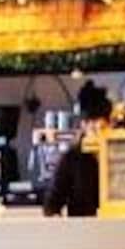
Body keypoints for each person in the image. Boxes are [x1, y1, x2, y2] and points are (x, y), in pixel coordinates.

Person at [44, 81, 113, 218]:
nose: (97, 130)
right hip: (82, 227)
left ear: (110, 125)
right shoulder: (71, 158)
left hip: (118, 225)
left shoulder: (119, 154)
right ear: (83, 125)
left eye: (103, 127)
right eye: (91, 125)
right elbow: (52, 205)